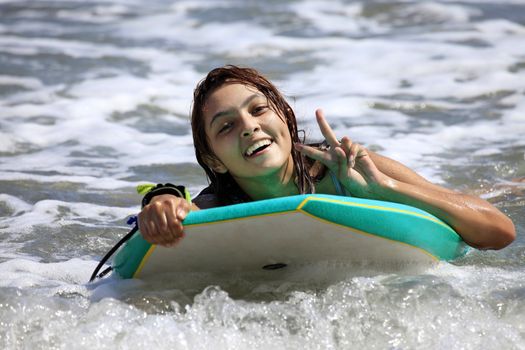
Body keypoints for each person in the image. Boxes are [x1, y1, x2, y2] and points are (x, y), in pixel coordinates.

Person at [138, 65, 515, 250]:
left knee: (501, 192)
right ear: (215, 160)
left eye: (258, 110)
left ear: (285, 118)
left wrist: (385, 189)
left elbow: (499, 231)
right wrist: (161, 203)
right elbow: (180, 213)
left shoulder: (347, 169)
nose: (249, 127)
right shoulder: (217, 208)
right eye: (226, 127)